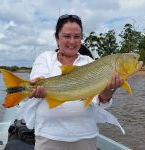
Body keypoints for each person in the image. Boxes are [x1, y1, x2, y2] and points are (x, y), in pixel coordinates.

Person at [18, 14, 123, 150]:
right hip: (49, 136)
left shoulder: (89, 62)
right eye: (67, 36)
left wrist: (109, 91)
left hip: (85, 136)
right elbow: (39, 77)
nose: (72, 42)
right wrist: (36, 85)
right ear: (57, 38)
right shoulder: (45, 58)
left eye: (77, 36)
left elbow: (100, 101)